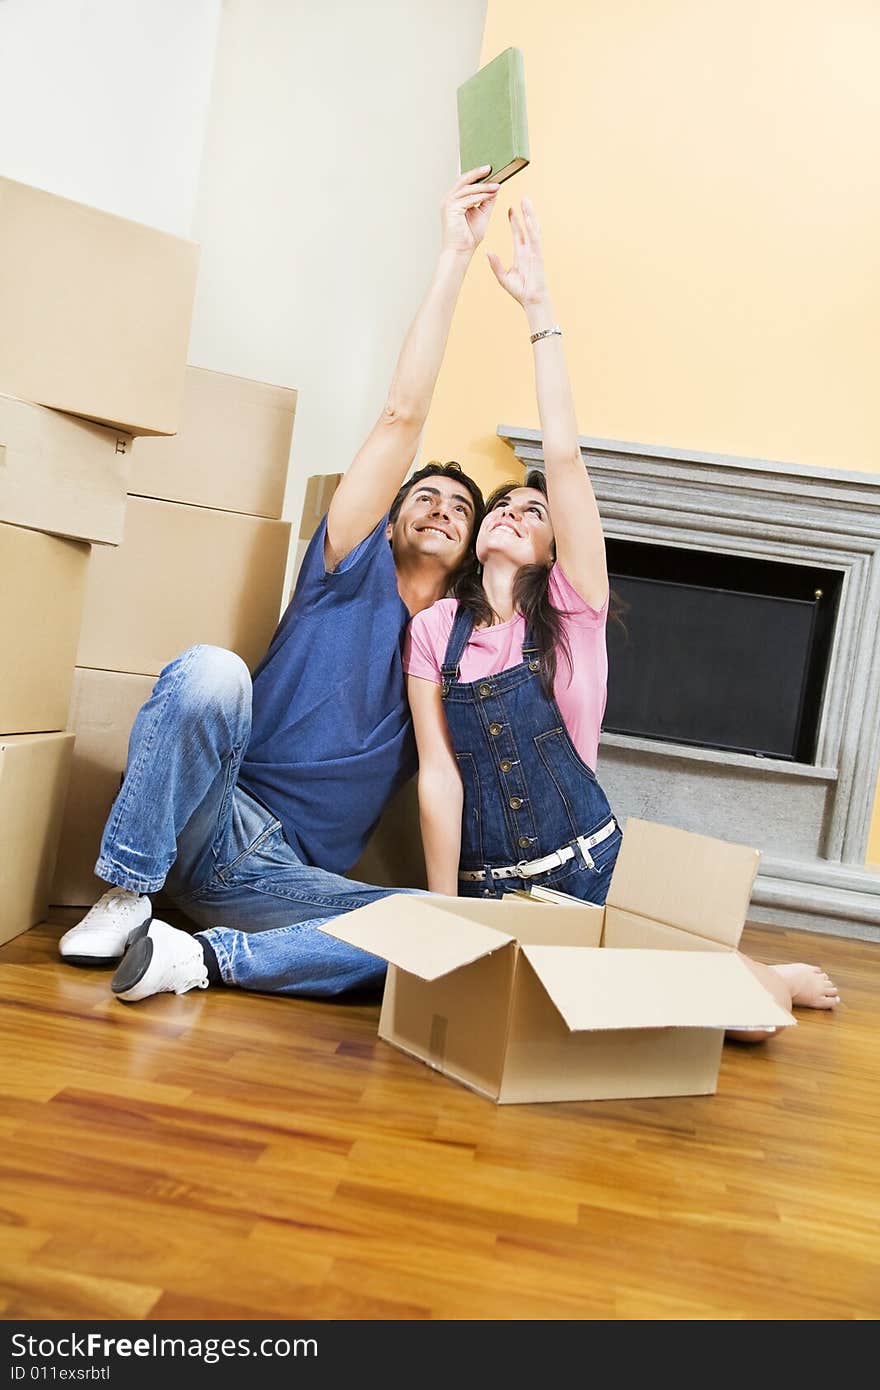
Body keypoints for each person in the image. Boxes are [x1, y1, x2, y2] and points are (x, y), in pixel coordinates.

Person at [58, 166, 499, 1001]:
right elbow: (402, 415)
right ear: (389, 518)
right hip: (212, 814)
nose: (440, 507)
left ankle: (201, 960)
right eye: (424, 497)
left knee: (448, 929)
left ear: (472, 545)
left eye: (459, 508)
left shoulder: (455, 655)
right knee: (210, 671)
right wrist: (454, 255)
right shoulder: (346, 568)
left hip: (278, 882)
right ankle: (127, 892)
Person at [403, 197, 840, 1035]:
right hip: (497, 885)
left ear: (553, 553)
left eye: (535, 516)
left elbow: (562, 456)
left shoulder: (574, 611)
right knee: (541, 1023)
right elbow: (439, 775)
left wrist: (539, 309)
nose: (515, 514)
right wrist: (442, 904)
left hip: (593, 868)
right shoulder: (432, 634)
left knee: (747, 1018)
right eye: (504, 508)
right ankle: (739, 971)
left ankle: (757, 975)